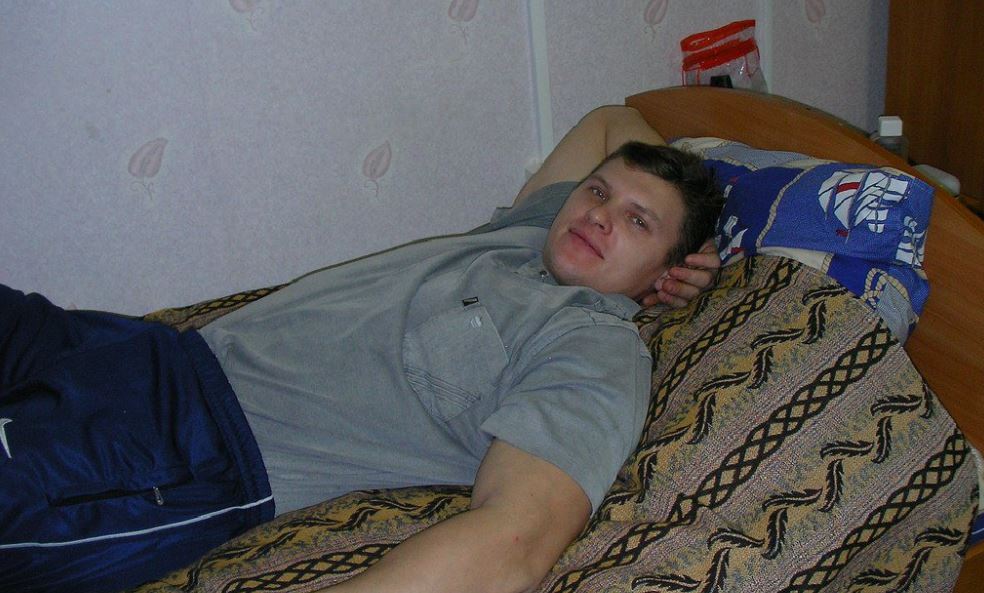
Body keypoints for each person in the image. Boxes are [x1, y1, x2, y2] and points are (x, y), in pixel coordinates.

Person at [0, 106, 724, 593]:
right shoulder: (529, 234)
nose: (599, 215)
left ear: (667, 272)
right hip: (141, 349)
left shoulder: (592, 348)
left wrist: (707, 243)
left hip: (190, 452)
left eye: (638, 221)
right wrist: (685, 207)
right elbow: (611, 118)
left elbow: (515, 542)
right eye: (598, 192)